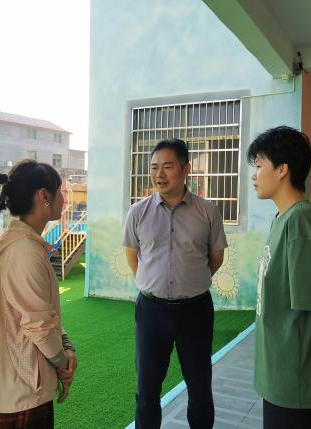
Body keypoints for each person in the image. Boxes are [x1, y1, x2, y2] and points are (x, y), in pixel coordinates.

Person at [123, 138, 227, 429]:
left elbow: (216, 257)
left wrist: (190, 281)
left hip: (195, 311)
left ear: (185, 170)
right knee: (147, 391)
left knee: (200, 389)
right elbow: (133, 257)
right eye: (154, 167)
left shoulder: (207, 212)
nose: (159, 174)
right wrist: (153, 283)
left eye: (168, 167)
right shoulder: (137, 213)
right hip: (151, 311)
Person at [248, 126, 311, 429]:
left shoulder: (301, 220)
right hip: (280, 368)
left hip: (296, 372)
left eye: (259, 165)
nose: (254, 175)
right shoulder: (283, 218)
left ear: (282, 170)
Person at [0, 160, 77, 429]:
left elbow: (43, 315)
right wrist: (63, 362)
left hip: (24, 385)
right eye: (59, 190)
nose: (64, 198)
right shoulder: (25, 252)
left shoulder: (26, 246)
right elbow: (39, 326)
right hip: (22, 390)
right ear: (44, 196)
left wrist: (67, 347)